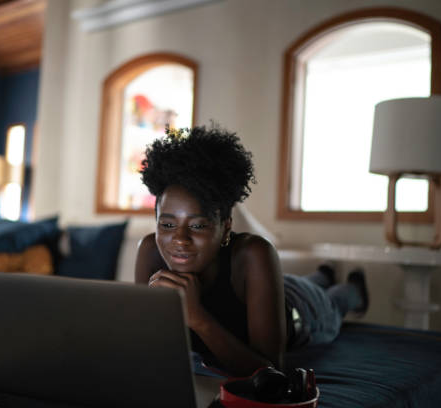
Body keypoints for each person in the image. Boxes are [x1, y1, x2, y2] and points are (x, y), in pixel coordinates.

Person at [135, 124, 368, 377]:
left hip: (301, 309)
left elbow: (271, 370)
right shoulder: (150, 250)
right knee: (313, 280)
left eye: (198, 225)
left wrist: (197, 318)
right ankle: (324, 272)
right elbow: (147, 345)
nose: (179, 239)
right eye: (167, 224)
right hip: (269, 288)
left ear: (225, 229)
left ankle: (354, 286)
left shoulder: (254, 253)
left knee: (334, 301)